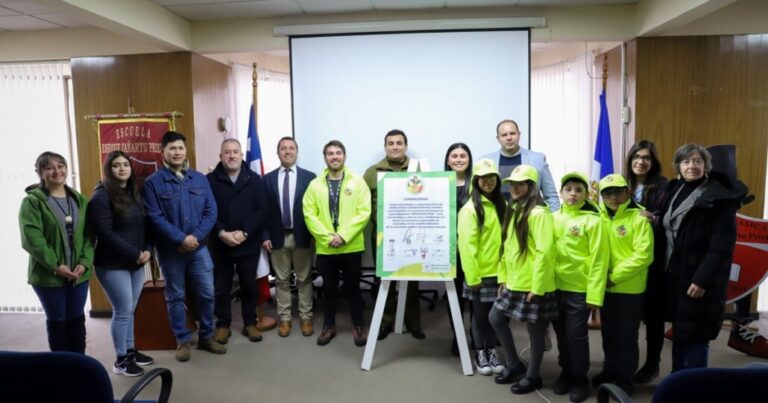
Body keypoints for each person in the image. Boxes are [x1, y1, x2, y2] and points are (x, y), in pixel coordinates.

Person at [657, 144, 748, 371]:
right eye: (686, 161)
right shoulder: (674, 189)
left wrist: (701, 280)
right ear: (678, 165)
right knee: (681, 333)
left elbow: (722, 247)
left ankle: (693, 388)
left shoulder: (719, 197)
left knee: (696, 337)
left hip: (699, 281)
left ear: (706, 165)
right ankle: (679, 384)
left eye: (697, 161)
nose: (692, 166)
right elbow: (673, 224)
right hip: (675, 276)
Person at [142, 131, 226, 362]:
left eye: (180, 148)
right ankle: (183, 341)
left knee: (208, 294)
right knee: (175, 296)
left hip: (198, 249)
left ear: (185, 150)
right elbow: (155, 217)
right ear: (163, 153)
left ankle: (207, 337)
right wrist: (181, 239)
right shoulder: (152, 184)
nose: (177, 152)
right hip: (171, 252)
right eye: (172, 149)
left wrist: (194, 238)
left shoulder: (199, 179)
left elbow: (211, 211)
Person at [489, 165, 558, 395]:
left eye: (521, 184)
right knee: (495, 317)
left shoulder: (538, 213)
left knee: (535, 331)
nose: (515, 188)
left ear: (531, 186)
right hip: (514, 281)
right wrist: (503, 277)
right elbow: (506, 247)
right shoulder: (514, 207)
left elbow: (544, 252)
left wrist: (537, 287)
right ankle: (514, 364)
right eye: (513, 184)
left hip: (532, 284)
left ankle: (533, 376)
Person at [87, 151, 154, 376]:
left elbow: (144, 226)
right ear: (109, 169)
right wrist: (136, 253)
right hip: (112, 264)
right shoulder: (101, 196)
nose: (122, 169)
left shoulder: (133, 192)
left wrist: (147, 250)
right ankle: (121, 360)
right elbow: (104, 233)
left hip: (136, 261)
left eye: (126, 164)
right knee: (122, 310)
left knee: (130, 310)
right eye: (116, 165)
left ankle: (130, 350)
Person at [19, 151, 94, 354]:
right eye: (49, 167)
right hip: (48, 276)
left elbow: (89, 236)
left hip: (79, 274)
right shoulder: (33, 202)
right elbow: (33, 240)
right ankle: (60, 370)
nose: (57, 171)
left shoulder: (80, 200)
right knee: (58, 322)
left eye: (60, 166)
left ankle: (79, 366)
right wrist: (56, 266)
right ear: (40, 173)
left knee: (77, 320)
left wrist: (85, 263)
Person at [303, 140, 371, 346]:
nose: (334, 157)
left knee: (353, 288)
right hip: (326, 248)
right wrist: (327, 238)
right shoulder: (315, 185)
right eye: (330, 153)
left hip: (351, 246)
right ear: (325, 158)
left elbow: (364, 212)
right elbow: (309, 213)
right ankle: (328, 326)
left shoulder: (357, 182)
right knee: (329, 289)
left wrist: (343, 236)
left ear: (345, 156)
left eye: (338, 153)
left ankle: (358, 325)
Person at [591, 174, 653, 395]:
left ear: (627, 192)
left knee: (627, 335)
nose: (613, 197)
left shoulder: (638, 218)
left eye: (617, 191)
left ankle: (626, 377)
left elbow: (643, 256)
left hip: (629, 289)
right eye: (607, 193)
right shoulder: (597, 216)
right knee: (609, 333)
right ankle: (610, 370)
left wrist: (613, 276)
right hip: (604, 287)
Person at [551, 172, 609, 402]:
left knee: (576, 335)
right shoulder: (552, 218)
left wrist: (594, 296)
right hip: (554, 287)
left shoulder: (593, 221)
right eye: (569, 189)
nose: (573, 194)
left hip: (579, 289)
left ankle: (579, 377)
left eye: (578, 190)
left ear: (586, 194)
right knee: (561, 335)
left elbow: (599, 260)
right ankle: (565, 371)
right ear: (561, 192)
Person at [363, 129, 424, 340]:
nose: (395, 147)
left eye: (399, 143)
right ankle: (386, 322)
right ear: (385, 146)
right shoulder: (372, 172)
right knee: (385, 279)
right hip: (382, 236)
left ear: (405, 146)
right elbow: (364, 205)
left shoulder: (418, 169)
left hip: (411, 235)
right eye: (391, 143)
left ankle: (413, 322)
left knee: (412, 279)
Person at [207, 139, 268, 344]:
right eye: (227, 152)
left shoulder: (255, 179)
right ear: (220, 156)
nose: (231, 155)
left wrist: (245, 232)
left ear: (242, 155)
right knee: (221, 288)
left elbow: (262, 211)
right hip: (221, 243)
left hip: (247, 242)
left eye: (235, 152)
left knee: (249, 286)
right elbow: (206, 211)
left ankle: (250, 323)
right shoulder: (209, 180)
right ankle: (223, 325)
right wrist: (221, 232)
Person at [262, 137, 317, 337]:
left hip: (302, 236)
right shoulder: (266, 179)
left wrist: (314, 235)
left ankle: (306, 317)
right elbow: (264, 211)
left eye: (291, 148)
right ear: (278, 153)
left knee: (304, 278)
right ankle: (284, 319)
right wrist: (265, 235)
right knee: (281, 280)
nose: (287, 151)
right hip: (277, 237)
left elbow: (316, 209)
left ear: (297, 152)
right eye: (283, 148)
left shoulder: (310, 178)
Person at [625, 140, 669, 384]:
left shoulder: (664, 186)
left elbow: (669, 218)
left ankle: (652, 363)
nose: (641, 162)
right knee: (628, 316)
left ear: (653, 162)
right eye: (636, 157)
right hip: (625, 258)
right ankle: (623, 361)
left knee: (653, 316)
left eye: (646, 158)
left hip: (653, 260)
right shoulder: (622, 184)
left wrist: (654, 219)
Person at [457, 158, 505, 376]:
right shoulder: (470, 209)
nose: (487, 182)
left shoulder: (500, 205)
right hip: (480, 273)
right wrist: (473, 276)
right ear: (475, 181)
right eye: (482, 178)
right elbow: (466, 246)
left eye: (491, 177)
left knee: (496, 316)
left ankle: (491, 349)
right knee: (480, 315)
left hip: (500, 273)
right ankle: (480, 351)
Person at [482, 119, 559, 211]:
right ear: (498, 138)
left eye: (512, 133)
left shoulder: (537, 159)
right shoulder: (486, 161)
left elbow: (551, 196)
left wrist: (555, 221)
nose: (509, 138)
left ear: (519, 135)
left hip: (529, 218)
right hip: (498, 219)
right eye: (504, 135)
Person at [444, 143, 474, 355]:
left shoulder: (478, 184)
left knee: (474, 294)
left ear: (469, 160)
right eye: (454, 156)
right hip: (448, 248)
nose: (458, 159)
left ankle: (477, 333)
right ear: (448, 160)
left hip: (474, 249)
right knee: (454, 294)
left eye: (463, 156)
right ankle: (458, 335)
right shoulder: (438, 184)